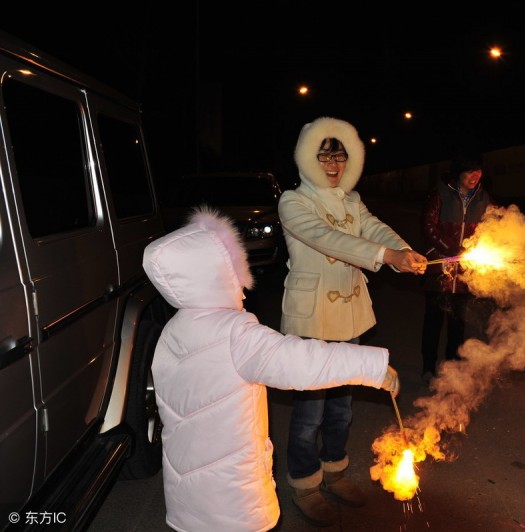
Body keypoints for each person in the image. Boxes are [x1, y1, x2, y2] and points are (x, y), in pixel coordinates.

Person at [142, 206, 401, 532]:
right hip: (234, 503)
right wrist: (374, 368)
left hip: (187, 500)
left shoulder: (171, 331)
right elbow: (302, 362)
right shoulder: (235, 332)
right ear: (219, 274)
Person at [277, 116, 426, 526]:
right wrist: (385, 258)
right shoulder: (293, 202)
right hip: (312, 320)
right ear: (308, 159)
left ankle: (335, 473)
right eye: (324, 156)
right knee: (310, 414)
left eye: (339, 157)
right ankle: (305, 484)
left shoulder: (351, 199)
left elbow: (374, 229)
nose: (332, 165)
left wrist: (404, 251)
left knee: (342, 407)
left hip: (351, 317)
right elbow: (328, 239)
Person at [420, 152, 494, 383]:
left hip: (466, 273)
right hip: (439, 270)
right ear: (459, 172)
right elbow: (428, 227)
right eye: (470, 171)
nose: (475, 176)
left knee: (458, 324)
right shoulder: (440, 194)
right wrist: (453, 250)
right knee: (433, 321)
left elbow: (491, 228)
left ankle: (451, 370)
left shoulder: (483, 198)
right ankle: (429, 369)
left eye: (478, 171)